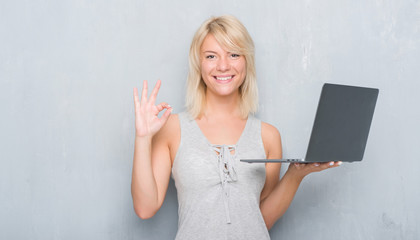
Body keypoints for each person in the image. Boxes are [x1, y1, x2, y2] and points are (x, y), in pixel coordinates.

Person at [131, 15, 341, 240]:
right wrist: (143, 138)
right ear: (198, 63)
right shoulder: (172, 128)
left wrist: (295, 175)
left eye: (233, 54)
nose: (223, 66)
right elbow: (146, 208)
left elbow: (260, 218)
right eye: (211, 56)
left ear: (246, 61)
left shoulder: (268, 136)